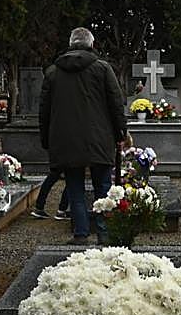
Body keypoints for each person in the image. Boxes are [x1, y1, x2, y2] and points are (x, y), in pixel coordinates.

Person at [39, 27, 127, 244]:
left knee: (75, 188)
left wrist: (46, 140)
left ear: (70, 44)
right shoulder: (102, 69)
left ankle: (81, 233)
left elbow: (44, 110)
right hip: (99, 137)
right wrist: (121, 133)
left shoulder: (53, 72)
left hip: (66, 140)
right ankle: (104, 234)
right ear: (91, 44)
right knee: (103, 187)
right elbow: (116, 103)